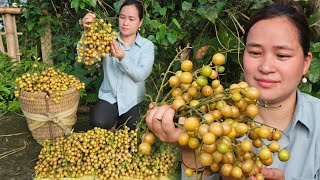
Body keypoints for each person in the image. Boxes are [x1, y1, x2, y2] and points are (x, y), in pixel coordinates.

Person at [146, 1, 320, 180]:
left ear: (306, 63)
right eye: (255, 53)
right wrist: (190, 151)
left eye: (282, 55)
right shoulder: (209, 119)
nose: (266, 67)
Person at [80, 0, 155, 130]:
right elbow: (87, 59)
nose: (125, 23)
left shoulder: (146, 46)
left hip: (133, 99)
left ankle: (118, 124)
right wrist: (87, 33)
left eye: (131, 19)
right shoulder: (107, 39)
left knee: (133, 127)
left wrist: (122, 58)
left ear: (140, 23)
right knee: (99, 122)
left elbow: (141, 75)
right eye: (122, 17)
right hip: (110, 97)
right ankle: (111, 121)